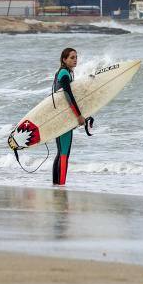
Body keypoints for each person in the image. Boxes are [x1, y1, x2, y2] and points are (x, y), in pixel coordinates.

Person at [51, 48, 86, 185]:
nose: (75, 59)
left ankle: (56, 185)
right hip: (64, 117)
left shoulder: (63, 72)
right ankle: (61, 185)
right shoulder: (65, 73)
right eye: (72, 57)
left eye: (76, 57)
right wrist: (79, 116)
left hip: (59, 116)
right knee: (64, 153)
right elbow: (68, 96)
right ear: (64, 59)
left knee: (60, 152)